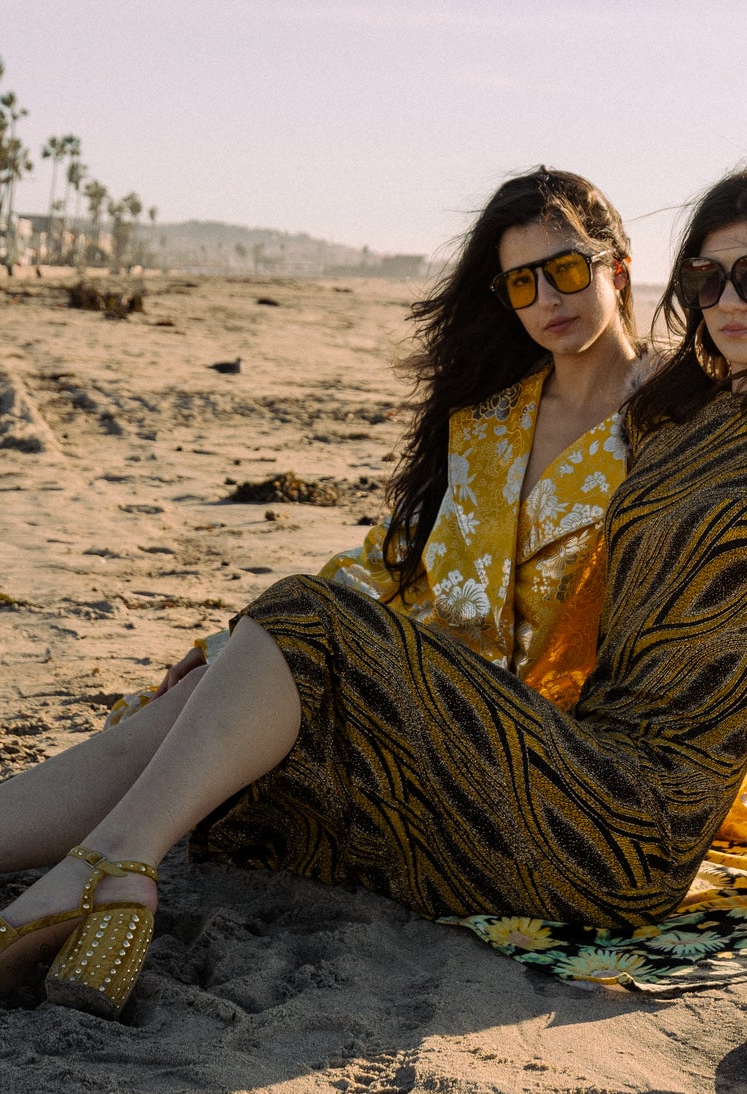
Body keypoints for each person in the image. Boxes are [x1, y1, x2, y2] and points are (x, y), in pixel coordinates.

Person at [0, 163, 747, 1020]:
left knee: (297, 623)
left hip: (614, 812)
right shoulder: (675, 419)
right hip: (493, 756)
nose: (730, 300)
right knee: (221, 717)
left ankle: (92, 881)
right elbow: (404, 559)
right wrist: (237, 644)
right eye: (712, 278)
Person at [108, 166, 641, 721]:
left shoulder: (676, 428)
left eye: (567, 270)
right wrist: (234, 646)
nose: (548, 299)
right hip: (420, 686)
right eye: (523, 283)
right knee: (187, 704)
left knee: (219, 730)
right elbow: (393, 558)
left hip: (557, 740)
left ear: (619, 271)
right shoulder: (490, 420)